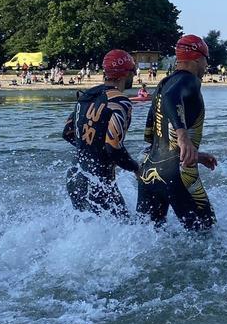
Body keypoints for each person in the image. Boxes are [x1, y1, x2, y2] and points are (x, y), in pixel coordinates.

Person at [138, 35, 218, 231]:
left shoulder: (163, 84)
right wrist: (183, 137)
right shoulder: (189, 80)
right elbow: (171, 97)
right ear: (197, 58)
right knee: (207, 235)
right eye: (206, 60)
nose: (206, 66)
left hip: (148, 172)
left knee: (147, 237)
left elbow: (152, 136)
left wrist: (195, 154)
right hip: (177, 174)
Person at [61, 49, 140, 218]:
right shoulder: (120, 102)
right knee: (124, 226)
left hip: (74, 175)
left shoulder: (87, 95)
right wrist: (136, 168)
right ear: (125, 74)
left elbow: (67, 132)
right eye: (133, 71)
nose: (134, 75)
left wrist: (90, 148)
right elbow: (113, 147)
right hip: (98, 180)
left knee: (85, 228)